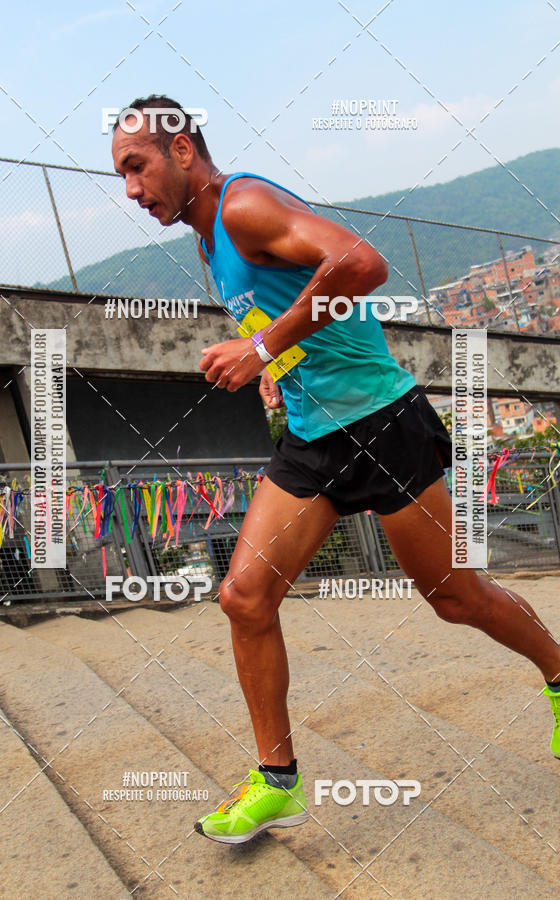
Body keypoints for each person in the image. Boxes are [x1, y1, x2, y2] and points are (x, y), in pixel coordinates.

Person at [111, 95, 560, 845]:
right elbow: (292, 310)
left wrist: (257, 348)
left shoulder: (246, 204)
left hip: (384, 424)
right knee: (244, 596)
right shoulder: (204, 242)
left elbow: (361, 263)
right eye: (121, 175)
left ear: (182, 150)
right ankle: (277, 781)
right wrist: (273, 362)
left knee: (455, 598)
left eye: (137, 167)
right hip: (314, 438)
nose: (130, 190)